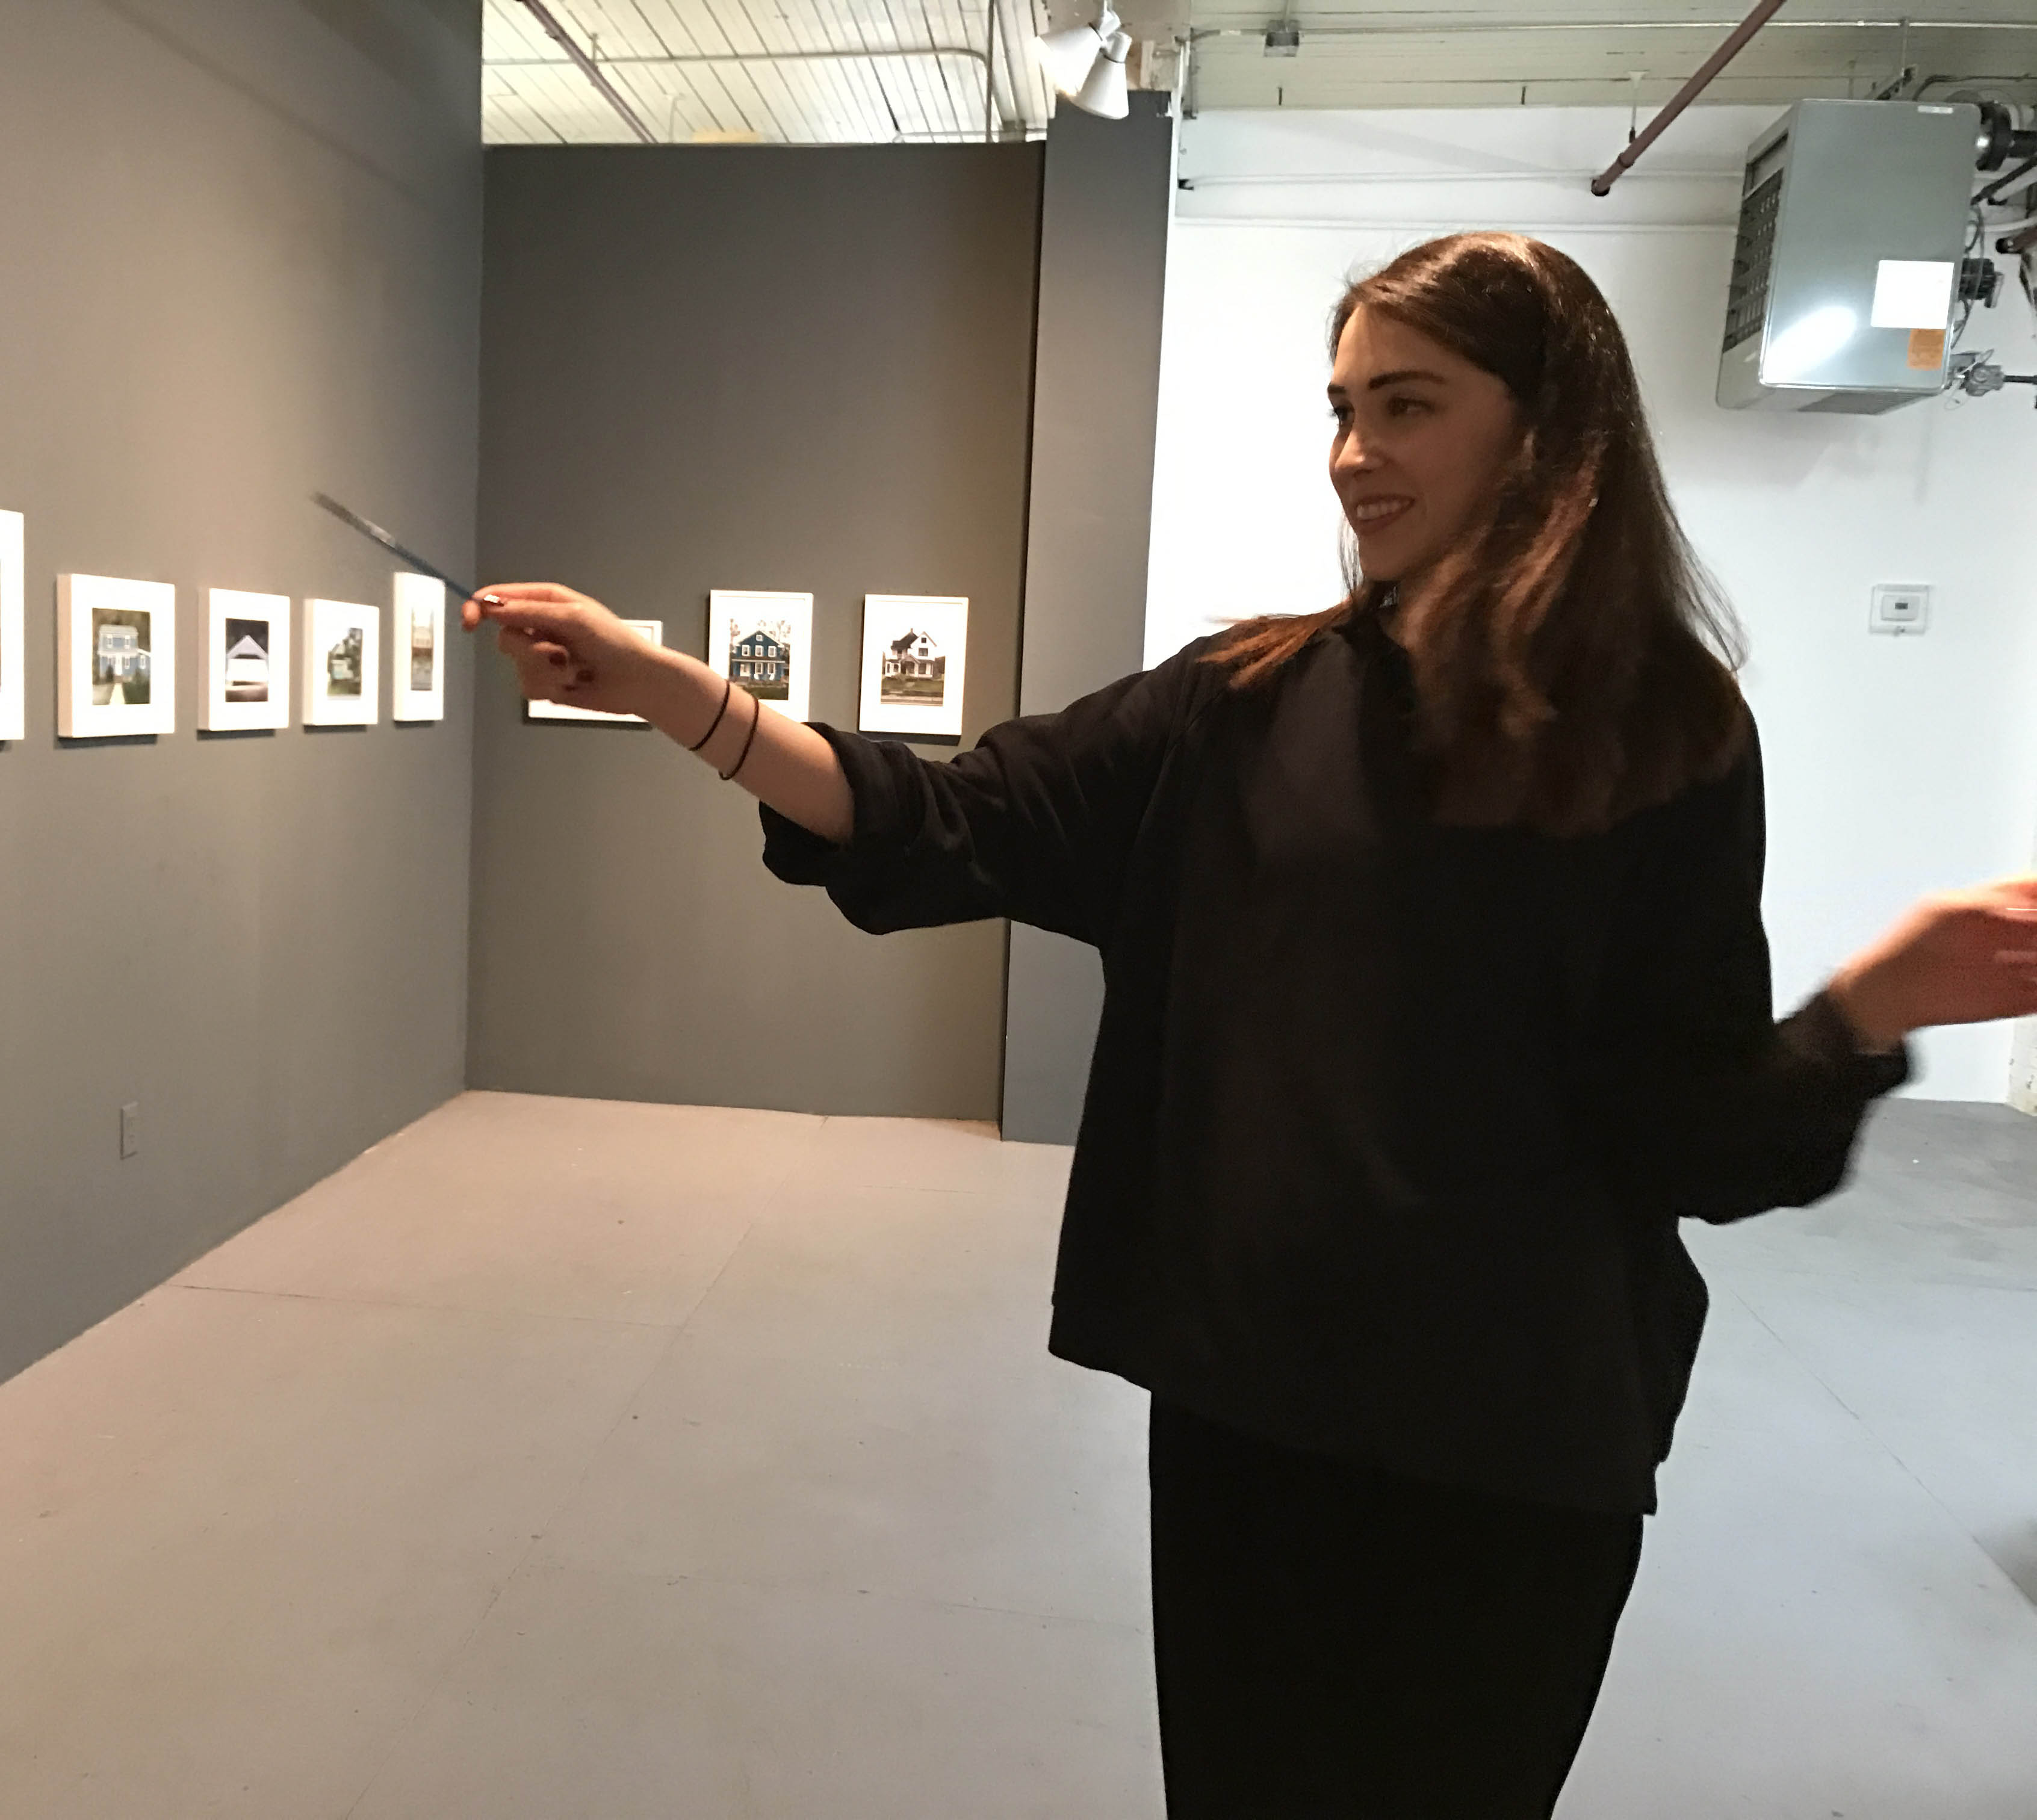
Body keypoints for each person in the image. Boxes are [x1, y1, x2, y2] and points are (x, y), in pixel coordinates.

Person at [458, 232, 2037, 1818]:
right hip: (1254, 1416)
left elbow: (1690, 1129)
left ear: (1545, 426)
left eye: (1408, 405)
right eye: (1343, 409)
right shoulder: (1246, 701)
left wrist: (1877, 1004)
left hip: (1511, 1443)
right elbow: (952, 816)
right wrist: (669, 692)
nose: (1355, 453)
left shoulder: (1669, 734)